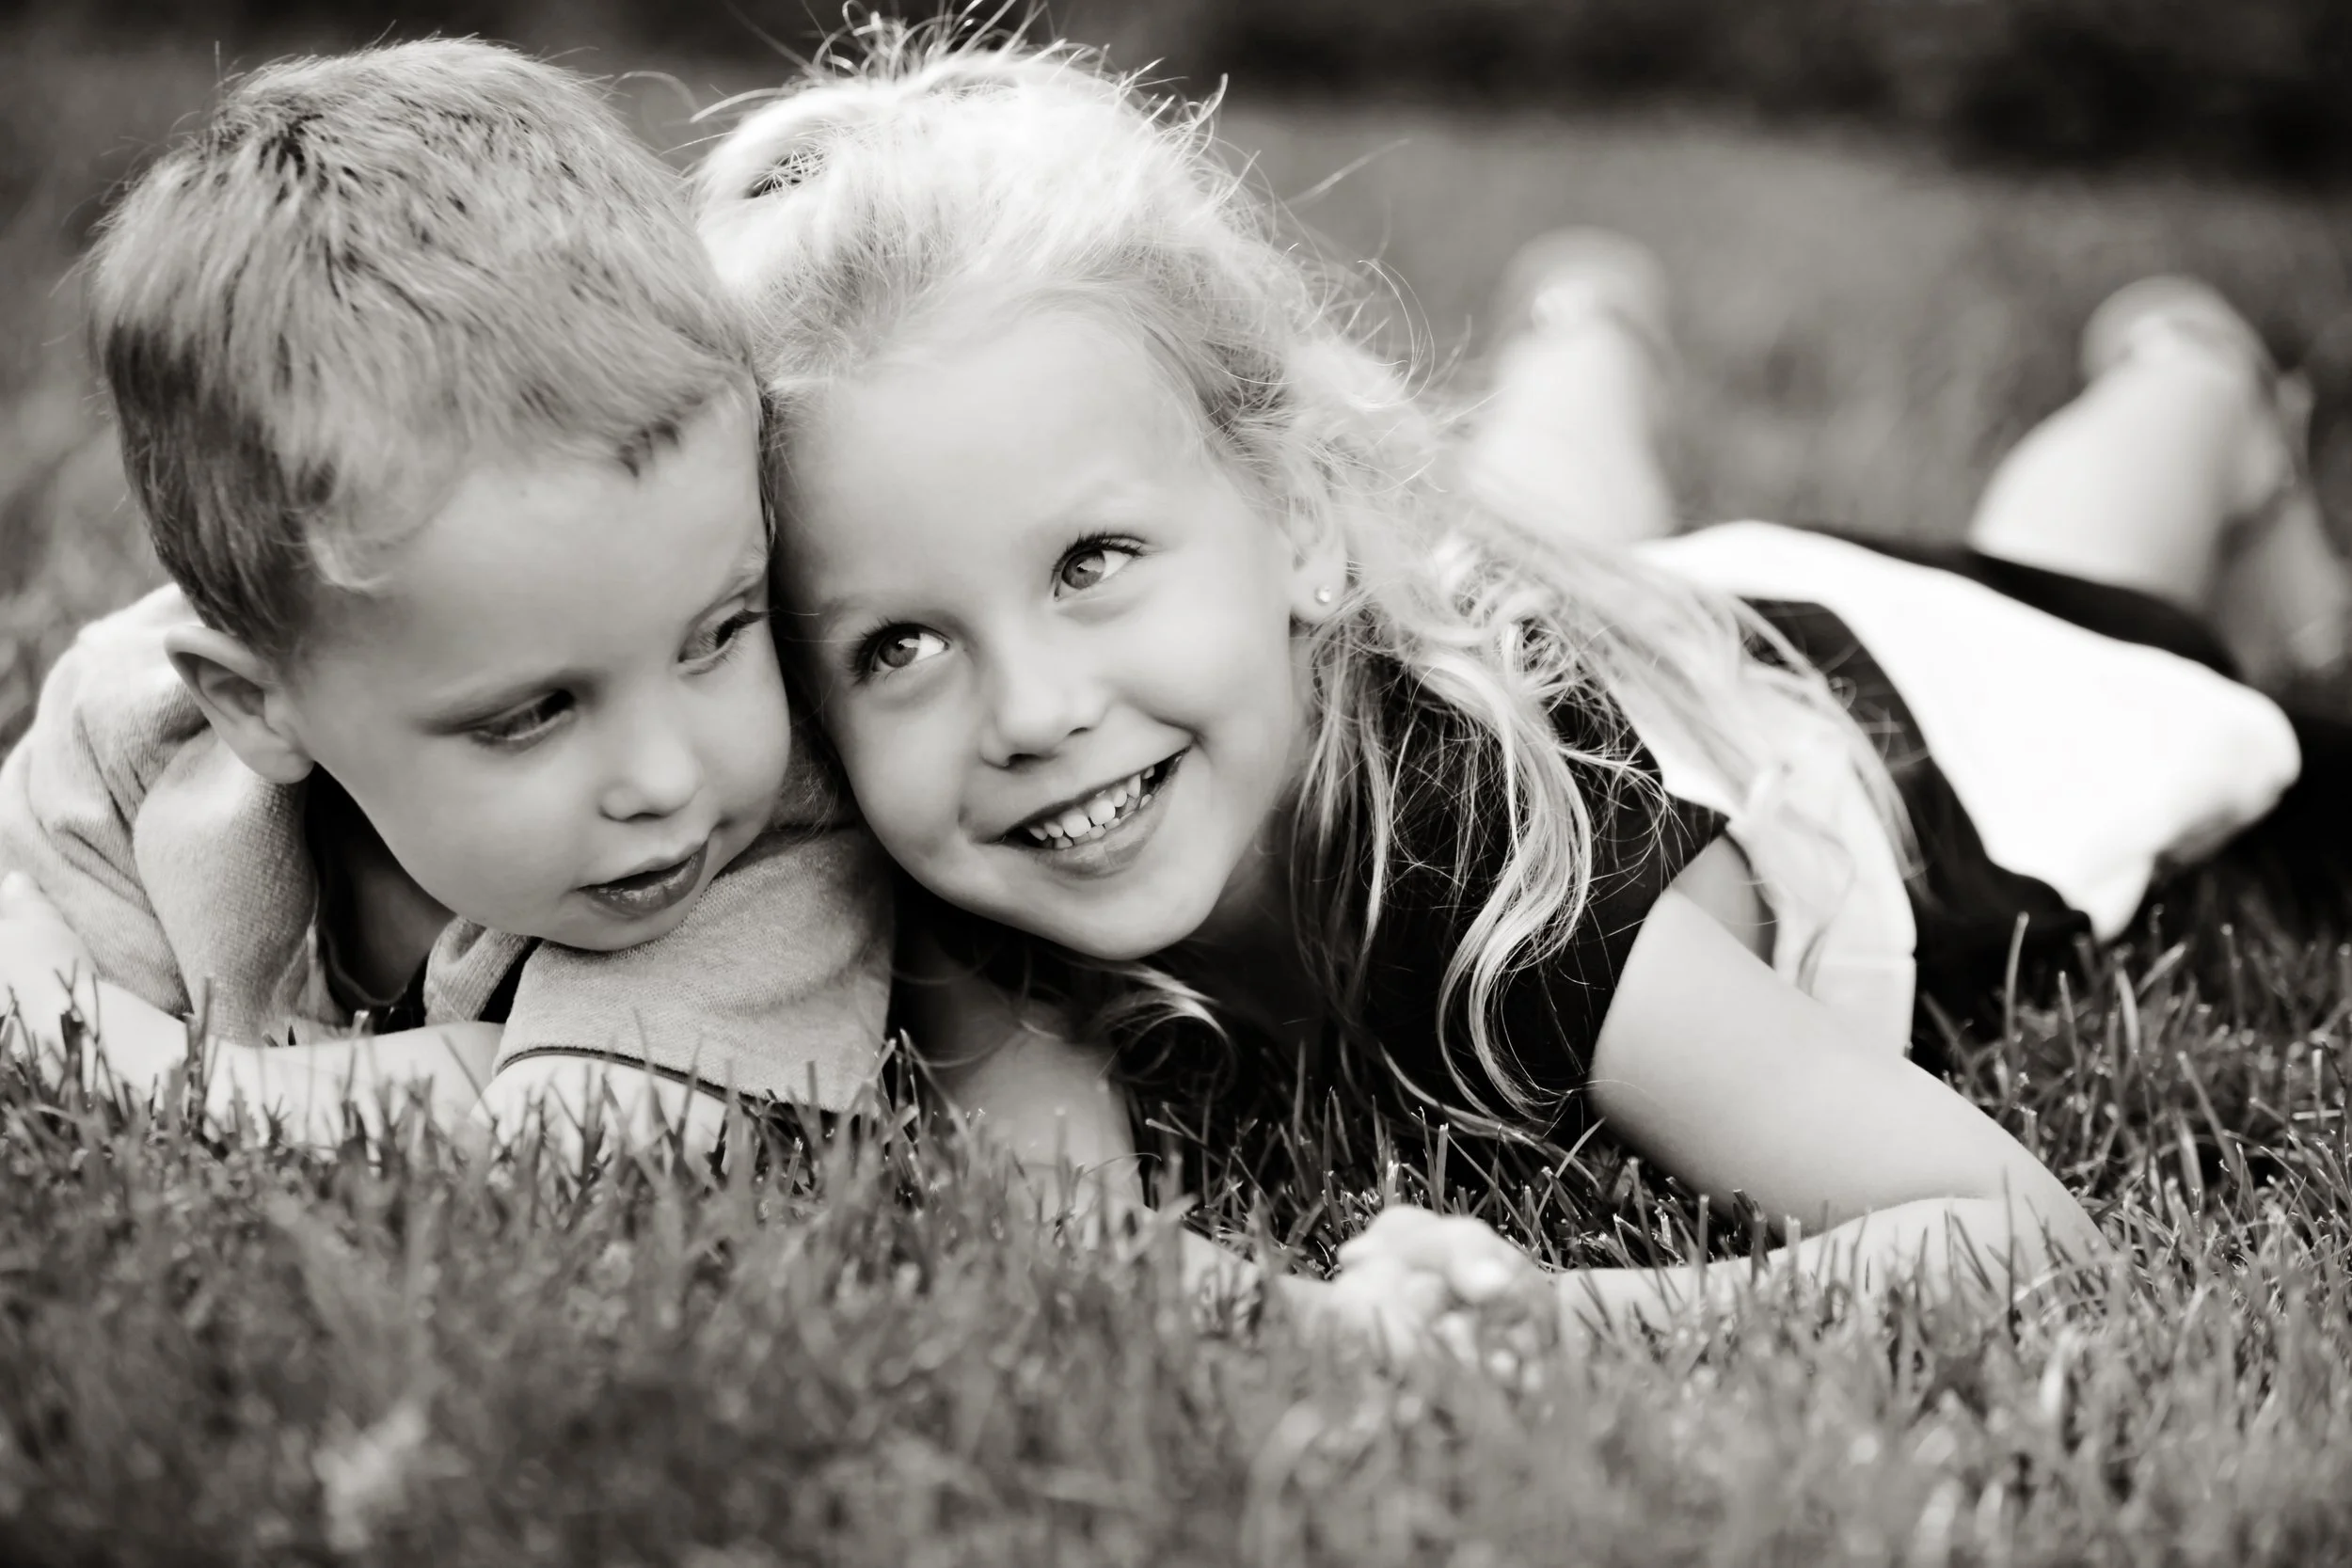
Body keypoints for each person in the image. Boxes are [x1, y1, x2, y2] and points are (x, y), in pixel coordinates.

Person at [688, 37, 2352, 1341]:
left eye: (1092, 559)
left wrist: (1563, 1320)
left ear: (1306, 527)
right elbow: (1068, 1240)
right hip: (1611, 632)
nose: (1031, 709)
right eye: (897, 645)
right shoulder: (971, 854)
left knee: (2075, 562)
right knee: (1547, 527)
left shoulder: (1492, 870)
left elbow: (2013, 1232)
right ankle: (1584, 329)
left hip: (1915, 705)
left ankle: (2192, 380)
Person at [0, 40, 893, 1148]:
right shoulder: (135, 735)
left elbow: (574, 1145)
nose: (666, 775)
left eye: (717, 633)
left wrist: (154, 1062)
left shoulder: (773, 853)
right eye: (532, 712)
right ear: (256, 705)